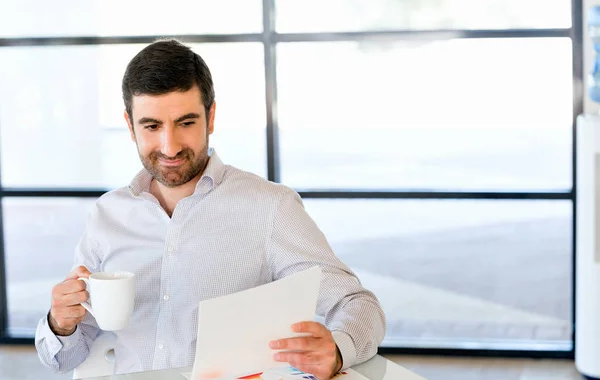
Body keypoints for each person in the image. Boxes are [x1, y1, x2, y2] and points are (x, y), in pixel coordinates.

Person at [35, 39, 386, 380]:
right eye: (152, 126)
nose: (169, 146)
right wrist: (60, 324)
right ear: (130, 125)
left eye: (186, 123)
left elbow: (358, 304)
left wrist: (338, 348)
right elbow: (65, 360)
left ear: (211, 116)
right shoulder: (107, 216)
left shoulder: (270, 207)